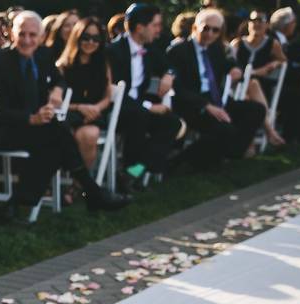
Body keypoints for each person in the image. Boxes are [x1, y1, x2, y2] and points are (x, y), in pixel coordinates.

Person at [0, 11, 129, 215]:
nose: (27, 40)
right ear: (11, 33)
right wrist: (30, 118)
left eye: (33, 35)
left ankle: (16, 204)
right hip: (7, 129)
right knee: (59, 137)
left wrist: (58, 89)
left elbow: (57, 78)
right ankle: (92, 192)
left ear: (42, 36)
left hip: (36, 129)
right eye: (22, 34)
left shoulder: (43, 55)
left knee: (56, 142)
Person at [166, 9, 266, 165]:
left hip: (216, 99)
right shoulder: (178, 51)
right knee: (225, 130)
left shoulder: (216, 49)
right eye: (206, 28)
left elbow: (229, 63)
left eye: (215, 30)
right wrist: (206, 106)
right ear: (195, 28)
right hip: (193, 103)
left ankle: (231, 153)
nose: (210, 34)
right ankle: (180, 162)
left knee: (256, 110)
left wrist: (235, 68)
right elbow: (177, 87)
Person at [106, 3, 182, 178]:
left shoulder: (150, 49)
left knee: (171, 123)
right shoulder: (113, 51)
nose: (159, 30)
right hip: (117, 110)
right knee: (140, 117)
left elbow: (170, 67)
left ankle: (134, 171)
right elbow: (114, 92)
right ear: (140, 27)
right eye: (155, 25)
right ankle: (131, 172)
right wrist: (148, 106)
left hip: (139, 110)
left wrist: (168, 75)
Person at [57, 17, 112, 171]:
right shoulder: (63, 66)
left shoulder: (103, 64)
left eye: (96, 39)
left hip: (94, 114)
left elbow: (108, 96)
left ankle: (79, 186)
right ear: (77, 37)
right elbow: (57, 100)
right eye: (86, 37)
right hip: (69, 113)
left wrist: (95, 109)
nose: (91, 42)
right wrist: (80, 107)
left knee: (89, 135)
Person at [231, 9, 287, 146]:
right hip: (236, 87)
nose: (257, 24)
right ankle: (270, 132)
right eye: (253, 20)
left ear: (267, 25)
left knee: (252, 86)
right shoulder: (237, 44)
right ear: (248, 23)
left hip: (261, 90)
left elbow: (283, 61)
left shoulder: (272, 44)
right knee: (250, 87)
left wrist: (273, 64)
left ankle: (248, 144)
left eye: (261, 21)